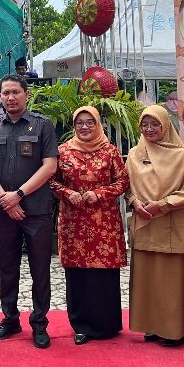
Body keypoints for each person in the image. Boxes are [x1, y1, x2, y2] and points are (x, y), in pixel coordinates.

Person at [126, 105, 184, 347]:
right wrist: (134, 202)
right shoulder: (135, 154)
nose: (149, 129)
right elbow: (127, 186)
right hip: (145, 222)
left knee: (172, 279)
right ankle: (154, 325)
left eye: (155, 124)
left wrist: (163, 204)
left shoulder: (181, 155)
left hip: (173, 222)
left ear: (166, 125)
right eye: (145, 124)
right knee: (148, 278)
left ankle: (176, 329)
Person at [0, 74, 58, 348]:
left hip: (36, 212)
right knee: (7, 268)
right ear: (0, 97)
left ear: (26, 95)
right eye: (5, 93)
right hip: (5, 213)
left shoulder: (42, 125)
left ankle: (39, 323)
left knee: (40, 270)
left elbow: (50, 166)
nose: (10, 97)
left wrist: (19, 195)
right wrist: (5, 198)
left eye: (15, 92)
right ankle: (10, 319)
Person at [50, 106, 129, 345]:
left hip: (103, 222)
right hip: (73, 222)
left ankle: (107, 325)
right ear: (73, 126)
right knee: (79, 275)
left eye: (90, 122)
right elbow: (51, 181)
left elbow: (123, 181)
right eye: (79, 123)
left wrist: (100, 193)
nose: (84, 127)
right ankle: (81, 325)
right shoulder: (62, 152)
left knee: (102, 274)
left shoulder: (110, 151)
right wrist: (67, 193)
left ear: (98, 125)